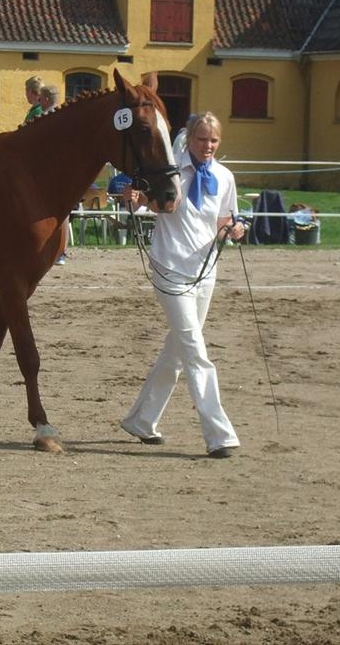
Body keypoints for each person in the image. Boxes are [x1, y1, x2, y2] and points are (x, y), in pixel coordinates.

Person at [119, 112, 245, 459]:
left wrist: (234, 230)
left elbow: (223, 219)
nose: (208, 146)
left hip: (205, 271)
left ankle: (141, 420)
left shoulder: (224, 176)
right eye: (202, 139)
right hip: (169, 266)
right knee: (194, 349)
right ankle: (219, 434)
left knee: (176, 351)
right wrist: (134, 198)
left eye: (213, 140)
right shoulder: (168, 169)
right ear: (189, 139)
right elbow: (147, 201)